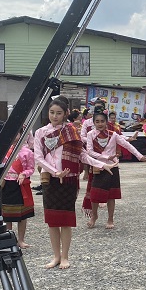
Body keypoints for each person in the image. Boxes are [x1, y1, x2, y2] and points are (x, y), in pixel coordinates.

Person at [34, 97, 115, 270]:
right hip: (51, 180)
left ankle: (65, 256)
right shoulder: (41, 132)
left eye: (59, 113)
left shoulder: (71, 130)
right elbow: (38, 158)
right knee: (52, 221)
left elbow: (82, 155)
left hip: (68, 179)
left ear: (65, 114)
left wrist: (101, 164)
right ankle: (56, 256)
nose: (55, 116)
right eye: (52, 112)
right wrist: (55, 172)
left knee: (65, 220)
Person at [84, 110, 146, 229]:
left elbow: (127, 145)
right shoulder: (90, 134)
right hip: (98, 167)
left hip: (113, 168)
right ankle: (94, 216)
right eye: (97, 121)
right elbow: (89, 151)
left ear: (107, 122)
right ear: (93, 123)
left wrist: (139, 156)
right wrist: (106, 157)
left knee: (111, 196)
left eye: (102, 121)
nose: (100, 124)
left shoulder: (113, 135)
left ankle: (110, 218)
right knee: (94, 195)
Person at [1, 132, 35, 248]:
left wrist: (24, 174)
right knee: (7, 215)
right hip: (6, 184)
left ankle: (21, 240)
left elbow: (31, 168)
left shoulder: (27, 152)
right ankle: (9, 240)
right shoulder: (4, 150)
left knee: (22, 215)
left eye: (17, 134)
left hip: (20, 184)